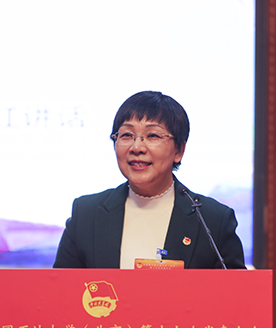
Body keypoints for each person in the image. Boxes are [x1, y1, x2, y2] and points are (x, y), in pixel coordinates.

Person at [53, 91, 245, 269]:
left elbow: (236, 290)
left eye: (152, 135)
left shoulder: (212, 220)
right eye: (126, 135)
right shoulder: (86, 214)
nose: (137, 147)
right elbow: (60, 288)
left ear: (179, 150)